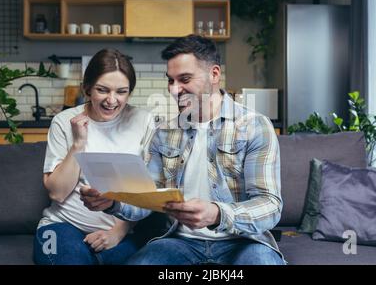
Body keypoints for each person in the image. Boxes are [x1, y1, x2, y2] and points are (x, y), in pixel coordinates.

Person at [81, 35, 285, 265]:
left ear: (214, 74)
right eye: (170, 80)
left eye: (184, 79)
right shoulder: (164, 132)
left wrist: (217, 214)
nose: (175, 90)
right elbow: (147, 198)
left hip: (243, 242)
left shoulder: (254, 126)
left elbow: (270, 205)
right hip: (180, 242)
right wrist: (112, 202)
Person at [33, 49, 155, 265]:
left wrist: (117, 232)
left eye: (121, 92)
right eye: (102, 90)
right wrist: (78, 144)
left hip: (121, 230)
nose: (112, 100)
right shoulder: (64, 121)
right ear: (87, 88)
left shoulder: (143, 121)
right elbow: (57, 192)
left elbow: (147, 193)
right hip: (61, 226)